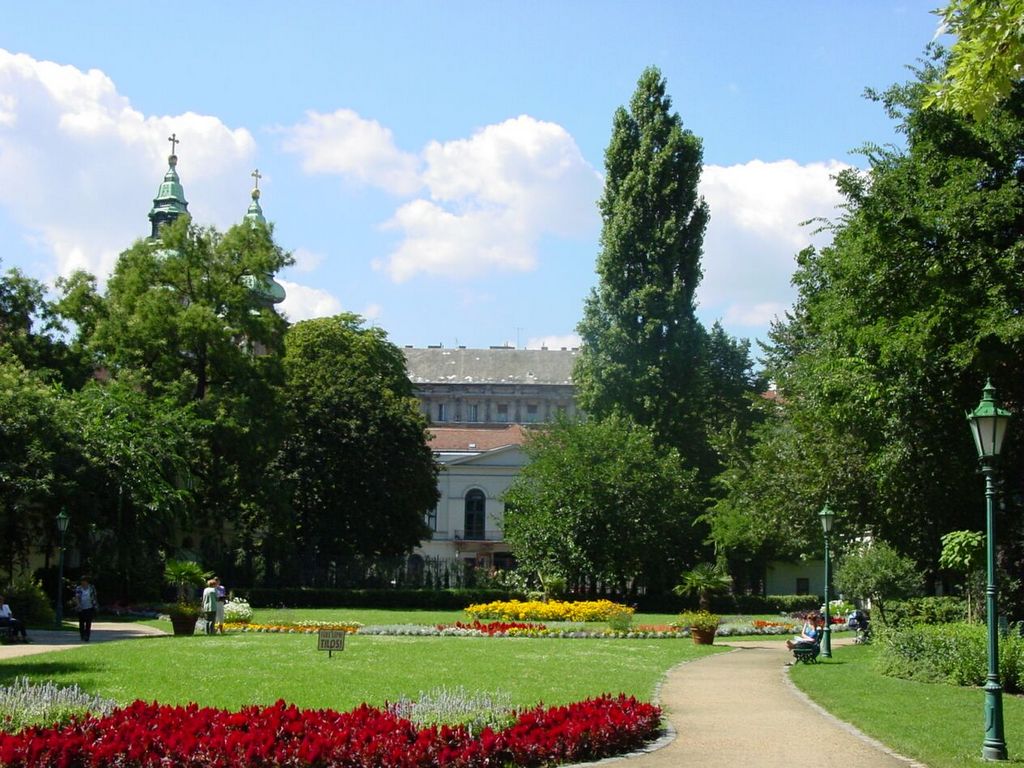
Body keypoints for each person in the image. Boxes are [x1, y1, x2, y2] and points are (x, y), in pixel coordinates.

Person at [74, 576, 98, 642]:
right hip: (81, 608)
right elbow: (77, 597)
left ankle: (87, 636)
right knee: (81, 623)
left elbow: (94, 596)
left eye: (84, 581)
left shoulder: (91, 588)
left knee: (88, 622)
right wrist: (78, 604)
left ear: (87, 581)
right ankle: (82, 636)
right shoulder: (79, 588)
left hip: (89, 607)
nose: (83, 582)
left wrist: (95, 605)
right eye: (82, 581)